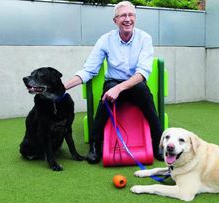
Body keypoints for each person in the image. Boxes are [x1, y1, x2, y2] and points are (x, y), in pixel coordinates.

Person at [64, 1, 164, 164]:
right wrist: (63, 86)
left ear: (135, 18)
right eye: (122, 15)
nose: (127, 19)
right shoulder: (105, 40)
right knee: (106, 98)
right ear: (115, 20)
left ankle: (158, 142)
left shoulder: (145, 38)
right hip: (113, 83)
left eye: (131, 15)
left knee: (144, 93)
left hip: (135, 83)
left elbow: (143, 73)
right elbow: (89, 70)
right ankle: (95, 145)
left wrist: (120, 88)